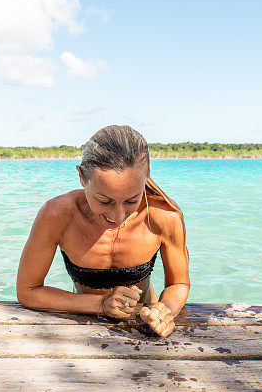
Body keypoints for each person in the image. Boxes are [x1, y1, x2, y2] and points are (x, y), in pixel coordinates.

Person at [16, 125, 190, 338]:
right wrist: (101, 304)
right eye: (104, 201)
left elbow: (179, 283)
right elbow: (28, 291)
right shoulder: (56, 215)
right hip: (80, 328)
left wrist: (164, 311)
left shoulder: (164, 217)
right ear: (82, 178)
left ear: (145, 179)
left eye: (131, 200)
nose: (117, 216)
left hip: (143, 329)